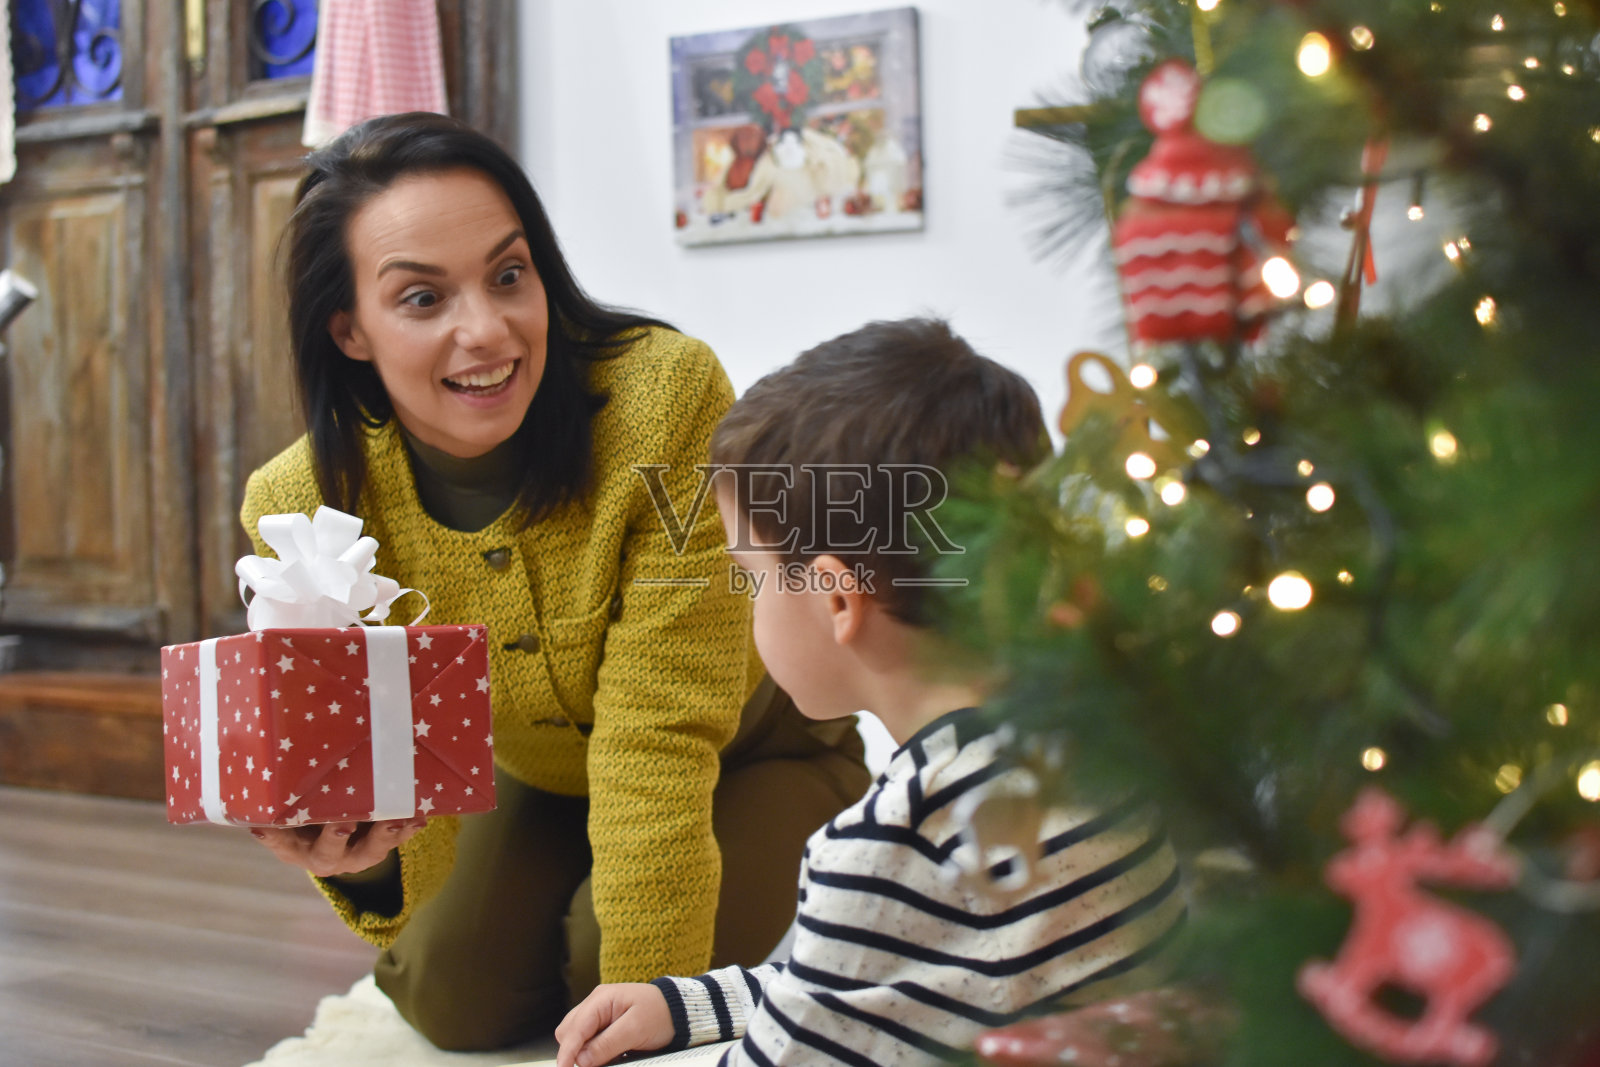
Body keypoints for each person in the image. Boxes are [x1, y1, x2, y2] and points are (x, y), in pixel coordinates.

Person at [239, 112, 869, 1052]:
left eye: (508, 274)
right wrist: (358, 856)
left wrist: (652, 1005)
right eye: (422, 299)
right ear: (350, 329)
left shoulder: (669, 396)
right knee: (451, 1002)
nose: (486, 331)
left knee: (603, 970)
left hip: (753, 748)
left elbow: (660, 732)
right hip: (535, 767)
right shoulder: (301, 506)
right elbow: (398, 767)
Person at [553, 319, 1187, 1067]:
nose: (748, 601)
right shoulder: (1093, 739)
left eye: (750, 579)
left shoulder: (891, 842)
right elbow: (885, 980)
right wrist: (684, 1002)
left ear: (835, 601)